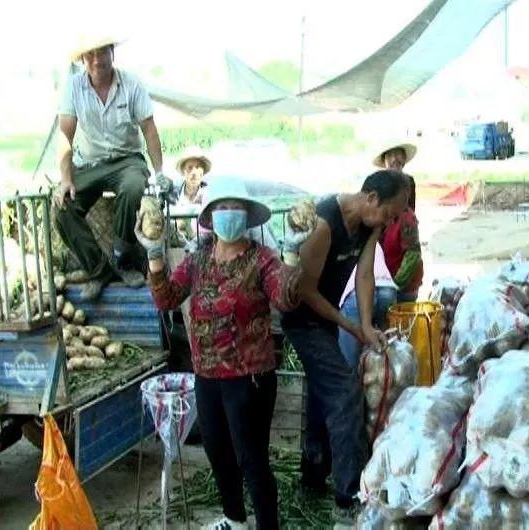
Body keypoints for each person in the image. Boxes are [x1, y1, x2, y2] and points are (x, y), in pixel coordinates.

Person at [136, 176, 301, 530]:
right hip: (208, 377)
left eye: (236, 207)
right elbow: (166, 298)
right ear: (210, 216)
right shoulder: (198, 261)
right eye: (222, 207)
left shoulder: (262, 260)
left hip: (249, 379)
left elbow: (285, 299)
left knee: (252, 458)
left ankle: (267, 525)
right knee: (218, 452)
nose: (229, 214)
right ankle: (234, 518)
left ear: (247, 216)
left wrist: (292, 256)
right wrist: (153, 252)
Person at [282, 170, 409, 524]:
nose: (390, 220)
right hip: (300, 317)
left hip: (325, 315)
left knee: (323, 394)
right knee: (344, 392)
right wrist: (349, 325)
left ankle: (312, 475)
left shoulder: (369, 225)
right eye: (389, 213)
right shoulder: (325, 223)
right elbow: (305, 290)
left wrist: (367, 325)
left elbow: (365, 274)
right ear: (370, 197)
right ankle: (348, 494)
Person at [55, 35, 173, 300]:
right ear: (83, 59)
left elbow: (149, 130)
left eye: (103, 52)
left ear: (112, 53)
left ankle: (124, 260)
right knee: (62, 207)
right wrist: (65, 179)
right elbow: (64, 136)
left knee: (133, 186)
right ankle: (99, 270)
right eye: (91, 54)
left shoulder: (131, 84)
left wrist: (160, 172)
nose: (98, 60)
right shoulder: (73, 87)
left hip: (127, 160)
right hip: (90, 163)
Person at [373, 141, 424, 302]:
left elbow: (412, 253)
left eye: (399, 154)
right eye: (391, 154)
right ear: (385, 160)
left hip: (402, 268)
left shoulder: (409, 182)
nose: (395, 159)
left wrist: (395, 284)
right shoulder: (376, 183)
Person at [337, 243, 397, 370]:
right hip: (387, 289)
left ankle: (352, 385)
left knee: (348, 364)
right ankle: (385, 384)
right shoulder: (374, 241)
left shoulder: (347, 240)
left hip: (357, 293)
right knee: (384, 353)